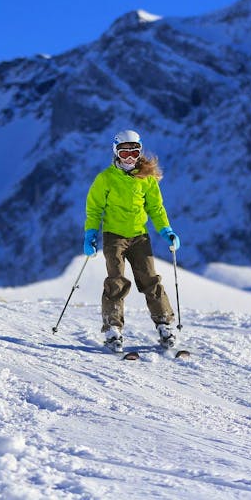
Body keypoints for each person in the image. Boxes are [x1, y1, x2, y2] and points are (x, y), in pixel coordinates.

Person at [83, 129, 181, 353]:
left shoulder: (145, 179)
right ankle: (112, 329)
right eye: (124, 152)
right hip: (114, 236)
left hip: (139, 236)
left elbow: (155, 208)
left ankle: (164, 324)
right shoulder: (105, 178)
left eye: (134, 152)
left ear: (139, 152)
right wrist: (90, 234)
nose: (129, 157)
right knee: (116, 280)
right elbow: (94, 209)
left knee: (150, 280)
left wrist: (167, 231)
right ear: (115, 151)